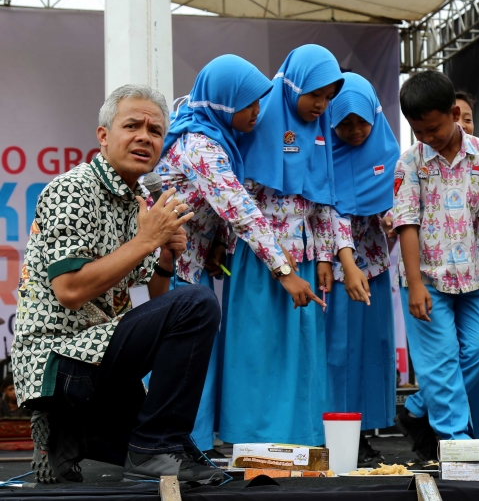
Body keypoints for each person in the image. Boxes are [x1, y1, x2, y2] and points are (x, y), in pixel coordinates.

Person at [12, 84, 224, 484]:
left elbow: (153, 303)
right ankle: (151, 444)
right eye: (132, 125)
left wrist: (164, 258)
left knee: (129, 460)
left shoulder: (136, 201)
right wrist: (147, 240)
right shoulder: (71, 189)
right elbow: (70, 290)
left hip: (101, 356)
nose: (145, 136)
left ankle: (67, 432)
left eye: (156, 131)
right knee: (198, 303)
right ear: (103, 135)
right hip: (60, 358)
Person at [151, 55, 320, 454]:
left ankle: (188, 447)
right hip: (168, 268)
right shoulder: (201, 147)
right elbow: (241, 211)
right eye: (249, 104)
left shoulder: (213, 138)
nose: (258, 114)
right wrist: (284, 271)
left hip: (191, 267)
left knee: (195, 358)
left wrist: (214, 250)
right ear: (224, 102)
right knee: (182, 360)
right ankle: (169, 447)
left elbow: (208, 212)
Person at [217, 44, 349, 446]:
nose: (322, 106)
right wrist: (278, 263)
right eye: (315, 95)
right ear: (293, 86)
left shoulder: (318, 131)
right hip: (263, 264)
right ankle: (254, 439)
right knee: (259, 350)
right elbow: (241, 206)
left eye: (329, 98)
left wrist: (326, 255)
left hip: (305, 263)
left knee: (302, 353)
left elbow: (323, 198)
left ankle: (300, 439)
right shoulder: (261, 125)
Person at [392, 70, 479, 455]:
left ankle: (417, 407)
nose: (427, 138)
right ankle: (455, 442)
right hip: (425, 279)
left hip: (473, 278)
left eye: (434, 128)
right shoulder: (410, 162)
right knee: (440, 361)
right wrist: (414, 283)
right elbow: (406, 223)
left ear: (452, 112)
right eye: (419, 132)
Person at [326, 72, 401, 464]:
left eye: (362, 121)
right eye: (344, 123)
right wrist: (347, 262)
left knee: (375, 350)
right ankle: (335, 435)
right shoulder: (324, 158)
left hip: (373, 267)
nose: (355, 131)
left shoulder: (388, 153)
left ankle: (363, 433)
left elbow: (394, 197)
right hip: (338, 272)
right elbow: (332, 209)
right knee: (339, 354)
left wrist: (392, 217)